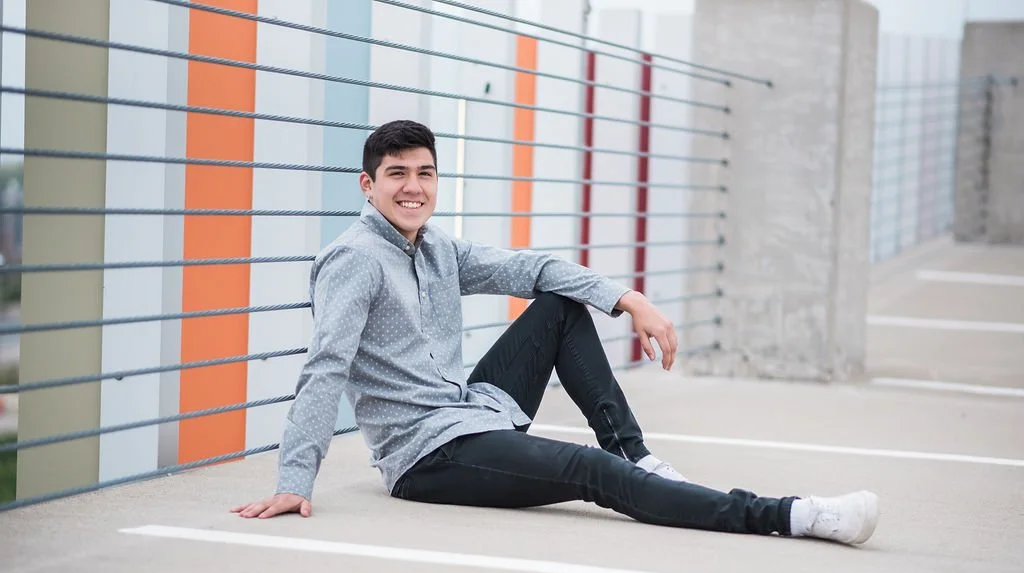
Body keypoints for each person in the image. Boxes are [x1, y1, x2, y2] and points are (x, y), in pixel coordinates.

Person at [232, 119, 880, 545]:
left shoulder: (434, 248)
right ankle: (792, 515)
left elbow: (532, 267)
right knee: (585, 470)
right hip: (429, 456)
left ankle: (641, 459)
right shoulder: (354, 260)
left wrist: (628, 299)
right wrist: (294, 481)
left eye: (423, 173)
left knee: (559, 303)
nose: (413, 187)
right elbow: (325, 367)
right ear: (368, 185)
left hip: (469, 413)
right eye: (397, 174)